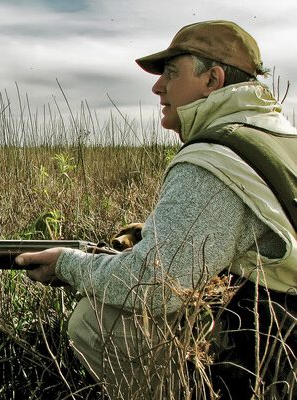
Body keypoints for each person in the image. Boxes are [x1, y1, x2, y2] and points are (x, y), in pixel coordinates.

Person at [16, 20, 297, 399]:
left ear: (212, 80)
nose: (157, 87)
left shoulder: (214, 160)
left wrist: (68, 264)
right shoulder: (279, 137)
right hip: (282, 323)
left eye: (171, 72)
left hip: (278, 352)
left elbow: (152, 287)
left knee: (99, 323)